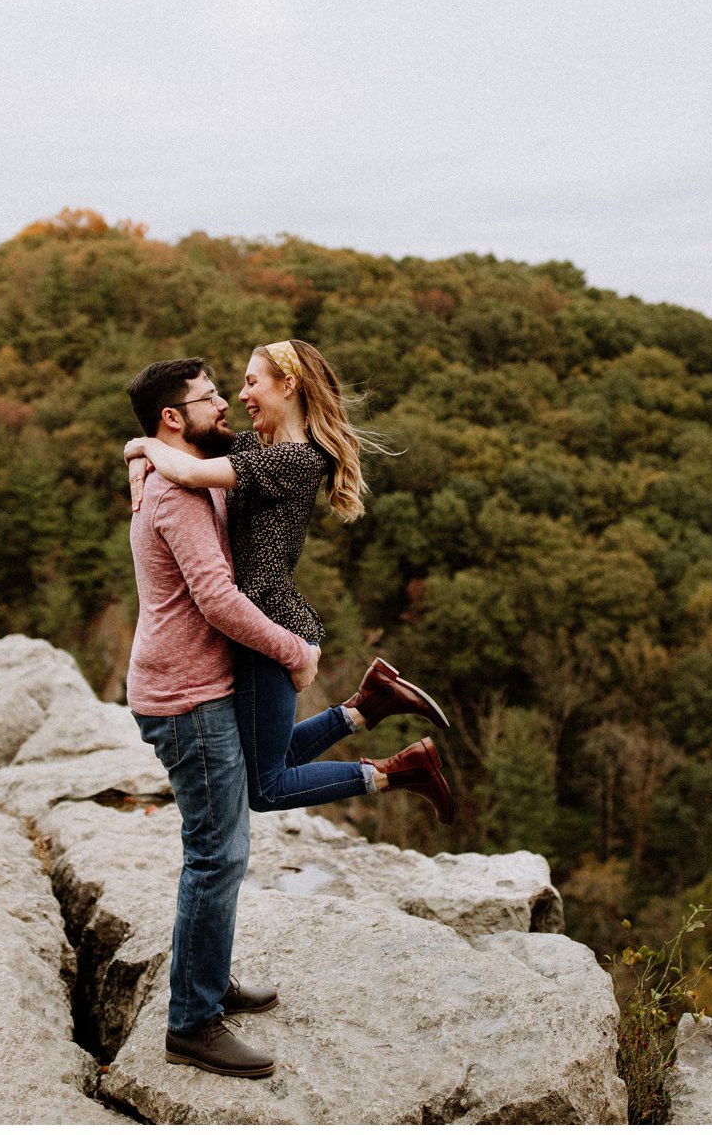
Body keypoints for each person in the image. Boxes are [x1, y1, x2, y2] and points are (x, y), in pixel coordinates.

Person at [125, 338, 455, 824]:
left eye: (251, 382)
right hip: (257, 621)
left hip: (266, 624)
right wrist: (141, 451)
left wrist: (142, 444)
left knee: (266, 787)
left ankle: (397, 772)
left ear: (288, 386)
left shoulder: (295, 460)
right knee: (257, 763)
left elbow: (191, 471)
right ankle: (367, 707)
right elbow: (192, 456)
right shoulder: (257, 448)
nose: (239, 396)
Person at [121, 357, 318, 1080]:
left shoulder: (186, 467)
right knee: (217, 854)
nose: (224, 406)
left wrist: (136, 453)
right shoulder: (175, 494)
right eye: (208, 399)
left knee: (225, 849)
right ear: (174, 417)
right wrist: (296, 651)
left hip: (197, 686)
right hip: (186, 697)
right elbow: (219, 601)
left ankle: (209, 979)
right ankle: (193, 1023)